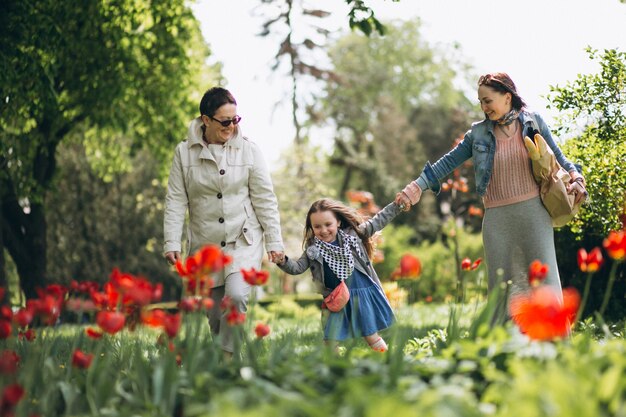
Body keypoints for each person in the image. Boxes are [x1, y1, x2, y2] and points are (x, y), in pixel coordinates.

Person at [395, 72, 588, 311]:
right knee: (502, 290)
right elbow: (446, 163)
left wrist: (576, 176)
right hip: (497, 220)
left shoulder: (533, 122)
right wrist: (416, 187)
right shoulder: (478, 134)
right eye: (480, 102)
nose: (484, 107)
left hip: (534, 215)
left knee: (546, 284)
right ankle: (503, 345)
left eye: (488, 100)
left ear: (507, 97)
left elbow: (560, 157)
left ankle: (554, 343)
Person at [163, 87, 284, 356]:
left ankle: (229, 361)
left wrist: (274, 241)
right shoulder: (184, 154)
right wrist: (172, 241)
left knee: (237, 297)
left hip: (242, 240)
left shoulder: (250, 150)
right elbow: (175, 200)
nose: (232, 126)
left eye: (236, 120)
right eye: (225, 121)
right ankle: (226, 362)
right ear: (206, 120)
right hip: (206, 246)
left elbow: (265, 198)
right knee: (216, 316)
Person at [274, 198, 402, 352]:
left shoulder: (354, 235)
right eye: (317, 226)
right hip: (337, 299)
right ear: (312, 228)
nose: (323, 230)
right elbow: (297, 268)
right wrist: (282, 261)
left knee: (371, 335)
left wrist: (397, 205)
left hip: (361, 293)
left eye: (328, 224)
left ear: (338, 223)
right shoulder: (313, 248)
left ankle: (384, 360)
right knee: (330, 340)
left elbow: (378, 221)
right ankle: (335, 371)